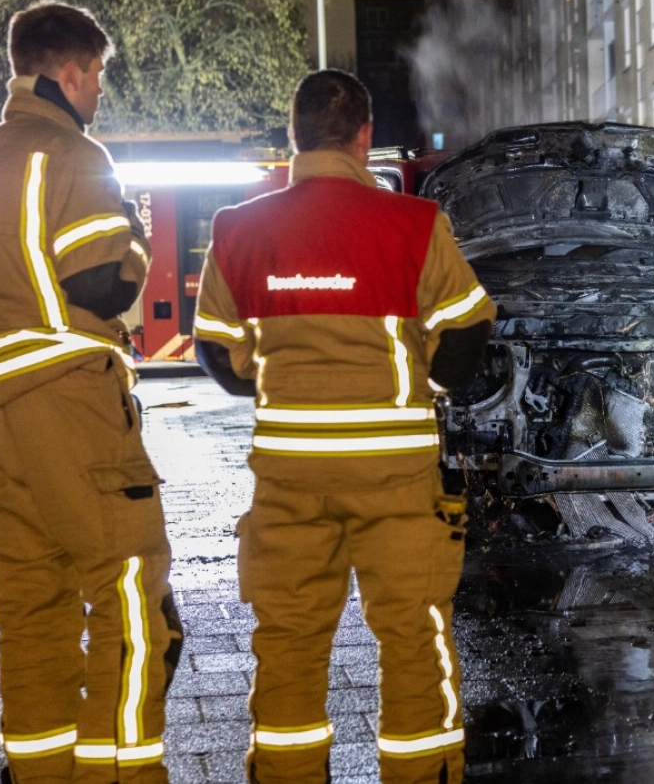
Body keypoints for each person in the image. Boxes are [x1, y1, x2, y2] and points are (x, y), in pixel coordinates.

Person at [192, 69, 495, 784]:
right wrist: (418, 384)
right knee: (414, 639)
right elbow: (467, 334)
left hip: (289, 476)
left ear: (293, 135)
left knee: (289, 644)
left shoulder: (238, 228)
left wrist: (282, 383)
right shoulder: (414, 223)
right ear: (364, 137)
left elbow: (216, 349)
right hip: (396, 476)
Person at [0, 1, 182, 783]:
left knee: (31, 612)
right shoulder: (77, 154)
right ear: (71, 71)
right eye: (100, 77)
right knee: (131, 603)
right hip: (73, 403)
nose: (101, 94)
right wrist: (138, 234)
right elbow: (100, 283)